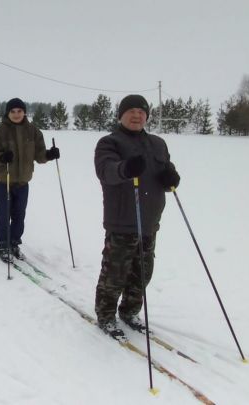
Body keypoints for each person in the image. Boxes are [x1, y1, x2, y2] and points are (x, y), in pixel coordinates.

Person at [93, 94, 181, 338]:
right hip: (122, 219)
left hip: (150, 220)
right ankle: (106, 314)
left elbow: (166, 170)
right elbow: (106, 171)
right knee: (115, 273)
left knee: (142, 273)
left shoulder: (158, 143)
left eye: (141, 112)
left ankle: (130, 311)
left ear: (146, 116)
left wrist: (171, 179)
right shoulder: (109, 143)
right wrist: (124, 169)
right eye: (130, 111)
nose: (136, 115)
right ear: (121, 115)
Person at [0, 98, 60, 263]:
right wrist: (1, 157)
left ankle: (14, 243)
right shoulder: (0, 131)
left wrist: (49, 154)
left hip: (22, 182)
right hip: (3, 181)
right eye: (12, 111)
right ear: (8, 113)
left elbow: (39, 155)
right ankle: (3, 245)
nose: (16, 114)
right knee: (4, 215)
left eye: (19, 111)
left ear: (24, 112)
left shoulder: (33, 131)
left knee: (19, 216)